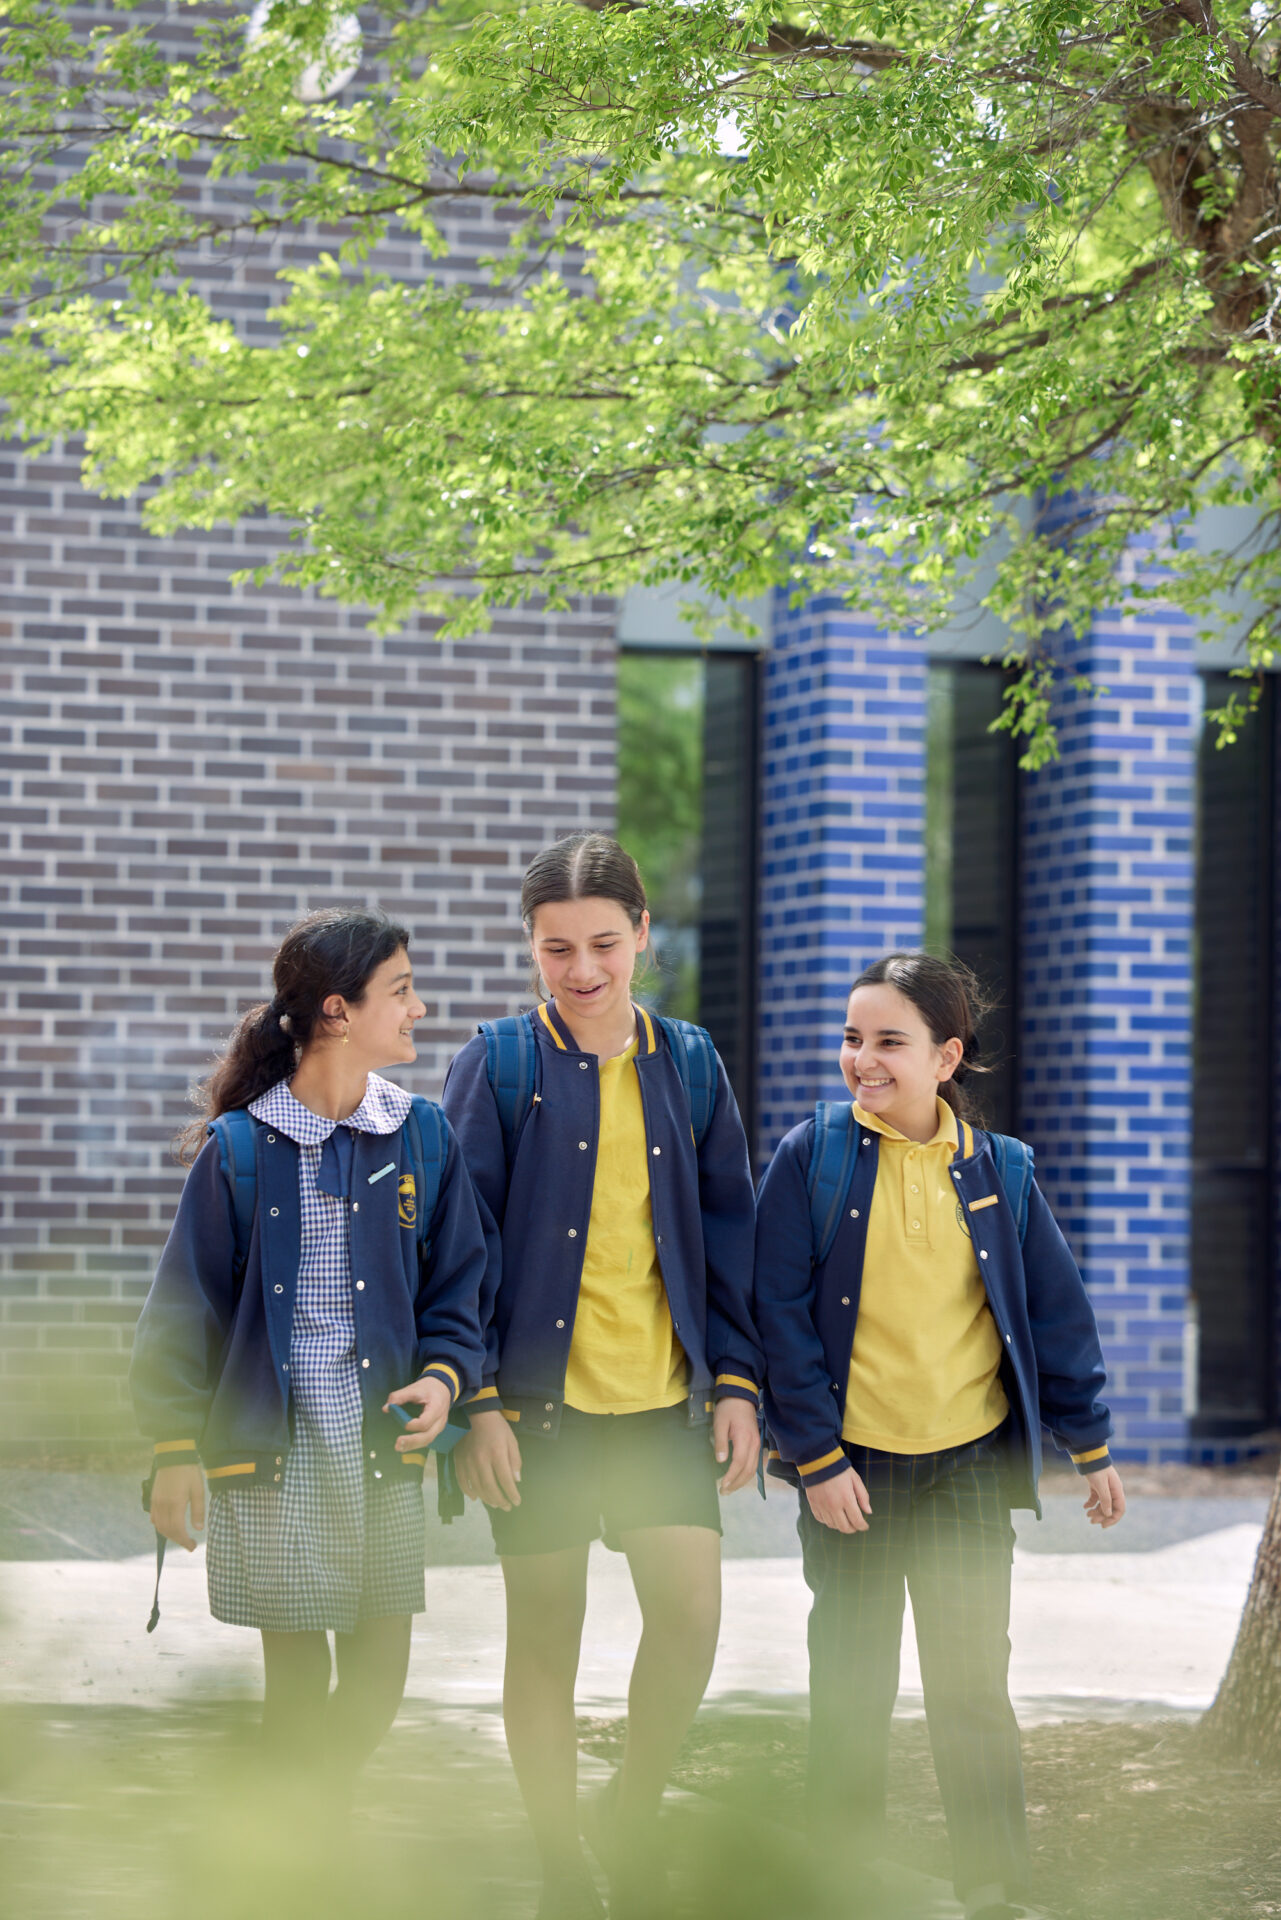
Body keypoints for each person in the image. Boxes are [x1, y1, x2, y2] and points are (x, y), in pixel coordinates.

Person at [754, 951, 1126, 1920]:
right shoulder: (811, 1157)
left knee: (970, 1685)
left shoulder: (1000, 1172)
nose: (862, 1059)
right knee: (852, 1683)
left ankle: (995, 1888)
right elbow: (778, 1317)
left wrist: (1089, 1443)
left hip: (965, 1465)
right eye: (852, 1037)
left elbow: (1055, 1312)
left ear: (946, 1056)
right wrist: (816, 1458)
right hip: (853, 1471)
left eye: (889, 1040)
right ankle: (839, 1878)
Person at [441, 832, 762, 1920]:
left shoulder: (691, 1063)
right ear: (530, 946)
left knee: (691, 1617)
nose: (581, 970)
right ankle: (560, 1865)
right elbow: (457, 1246)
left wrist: (737, 1383)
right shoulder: (499, 1063)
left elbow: (731, 1235)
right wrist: (477, 1402)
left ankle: (630, 1808)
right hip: (535, 1415)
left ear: (642, 935)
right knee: (546, 1636)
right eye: (556, 948)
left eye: (603, 945)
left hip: (662, 1405)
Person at [130, 907, 492, 1795]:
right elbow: (181, 1311)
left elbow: (459, 1287)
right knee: (296, 1692)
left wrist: (444, 1378)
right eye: (399, 990)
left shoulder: (421, 1136)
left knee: (377, 1683)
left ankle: (287, 1831)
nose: (417, 1007)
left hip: (380, 1450)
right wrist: (174, 1449)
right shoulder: (241, 1149)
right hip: (272, 1456)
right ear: (337, 1011)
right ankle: (296, 1849)